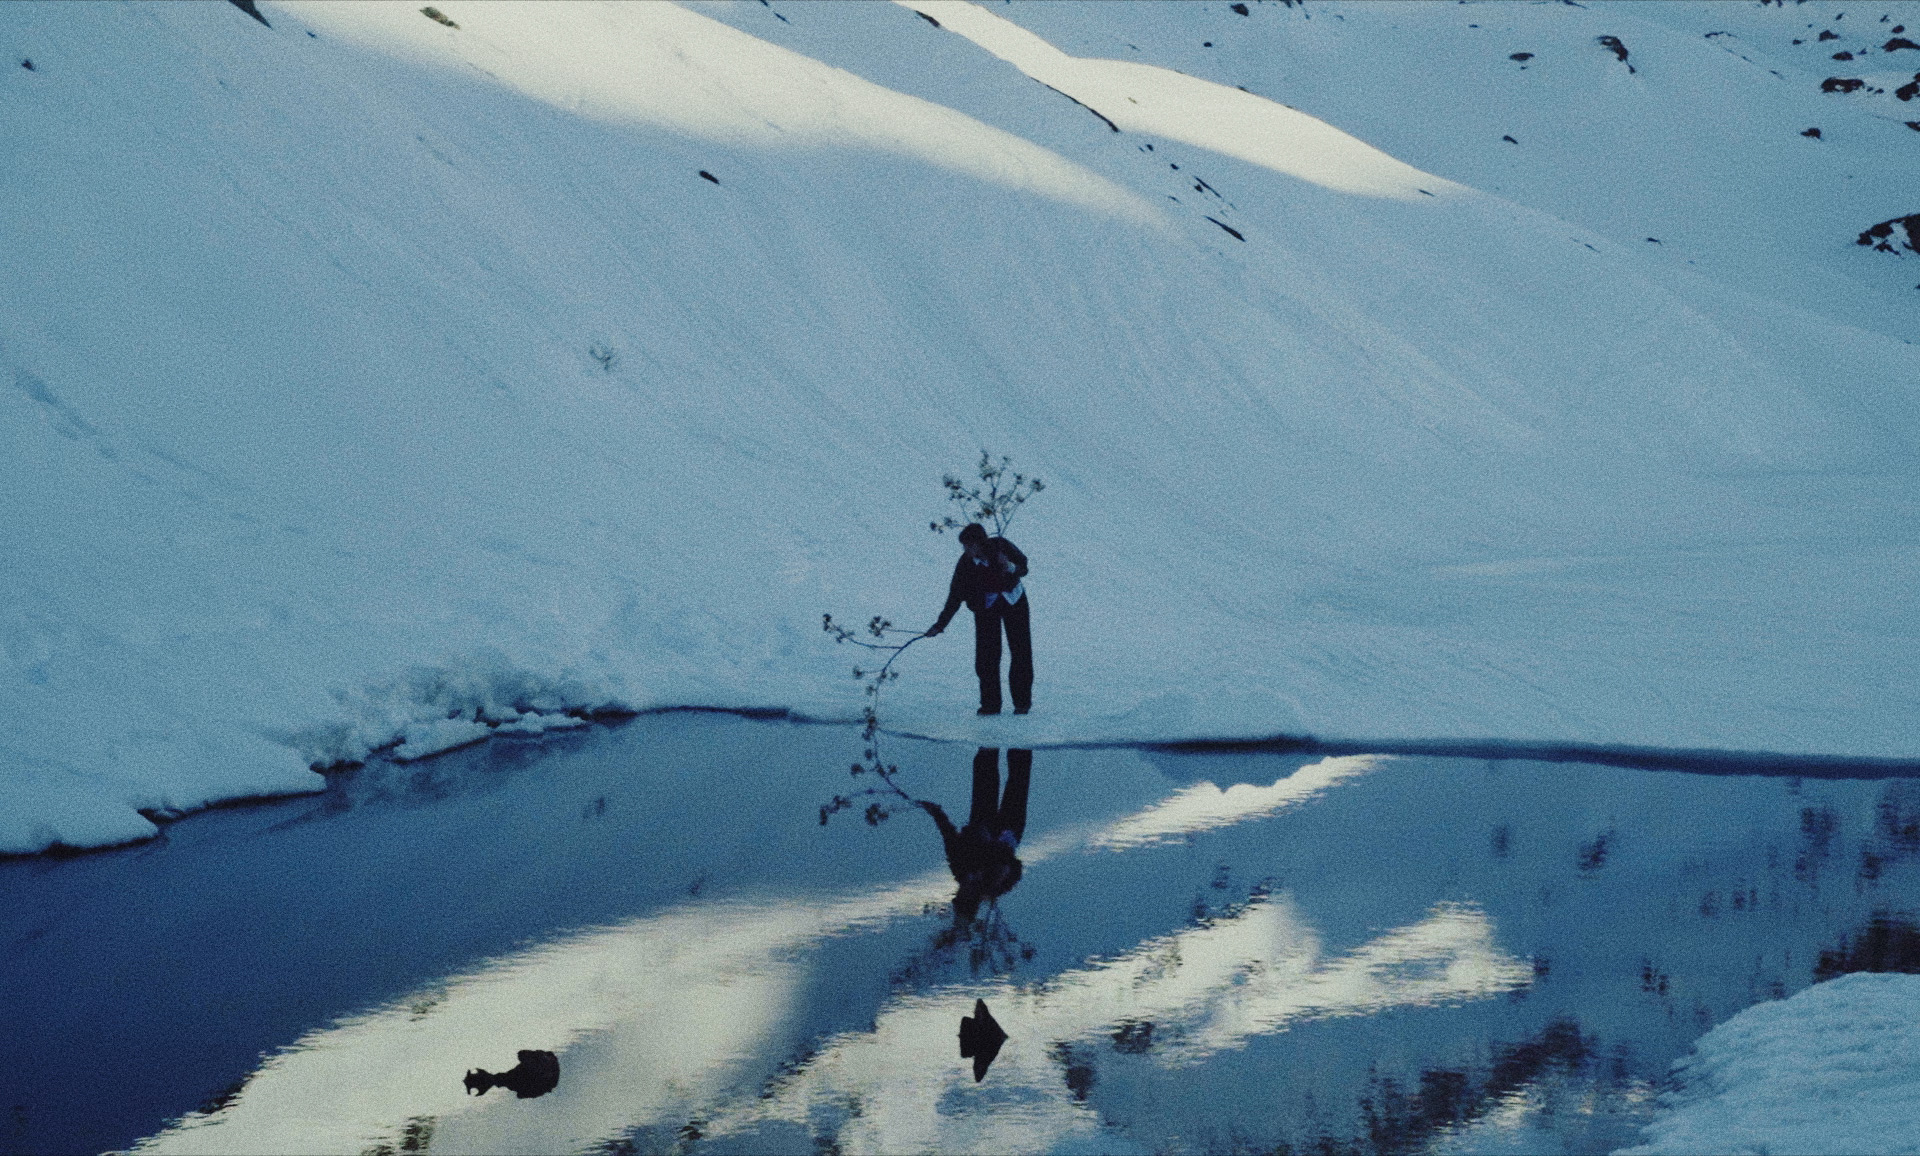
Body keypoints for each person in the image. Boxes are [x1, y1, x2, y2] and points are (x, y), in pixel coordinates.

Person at [916, 747, 1033, 924]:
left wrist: (936, 813)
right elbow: (1015, 867)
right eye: (963, 895)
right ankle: (1021, 736)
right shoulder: (995, 886)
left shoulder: (960, 869)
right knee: (1018, 779)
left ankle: (989, 733)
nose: (961, 890)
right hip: (1009, 831)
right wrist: (999, 855)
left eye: (959, 894)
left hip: (981, 822)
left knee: (984, 771)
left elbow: (949, 837)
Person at [926, 523, 1032, 715]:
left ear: (978, 544)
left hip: (1014, 601)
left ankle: (1022, 703)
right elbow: (955, 596)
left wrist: (1008, 566)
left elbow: (1023, 566)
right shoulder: (965, 565)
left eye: (968, 545)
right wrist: (941, 624)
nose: (965, 550)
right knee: (986, 657)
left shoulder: (1002, 546)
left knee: (1020, 652)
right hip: (986, 607)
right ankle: (990, 704)